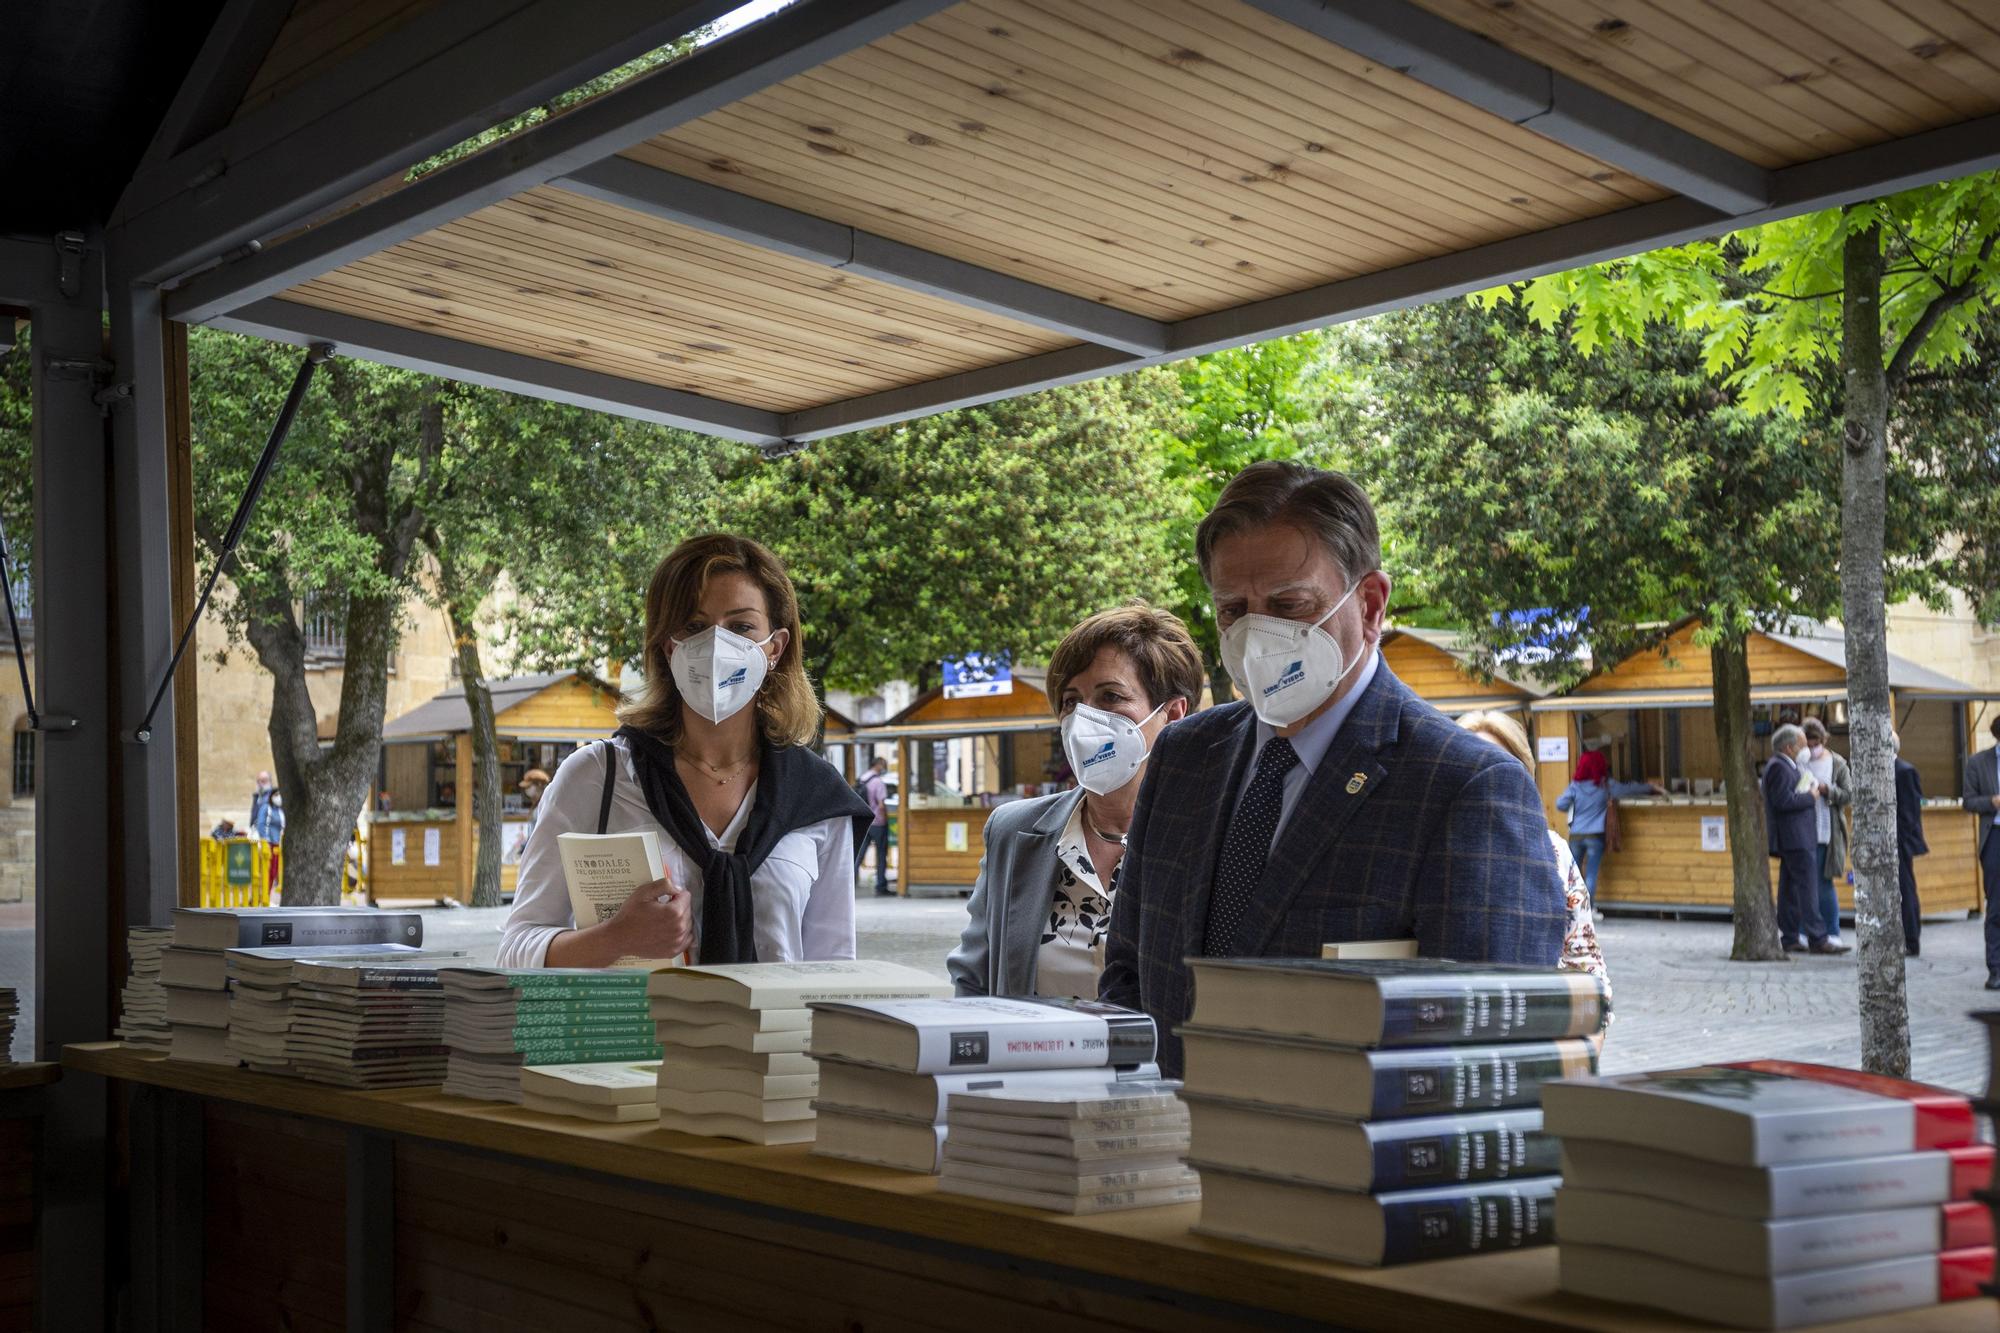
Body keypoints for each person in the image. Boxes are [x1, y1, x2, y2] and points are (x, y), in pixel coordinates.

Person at [1100, 462, 1566, 1076]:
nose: (1256, 636)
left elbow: (1485, 1058)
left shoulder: (1464, 787)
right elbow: (1130, 977)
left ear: (1370, 605)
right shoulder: (1184, 759)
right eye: (1232, 610)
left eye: (1289, 605)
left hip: (1351, 1163)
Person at [498, 534, 871, 968]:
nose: (716, 646)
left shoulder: (817, 798)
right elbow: (515, 950)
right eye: (694, 626)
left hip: (776, 1036)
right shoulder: (599, 776)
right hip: (632, 1035)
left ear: (775, 648)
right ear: (668, 645)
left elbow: (835, 971)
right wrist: (615, 938)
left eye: (741, 627)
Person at [949, 604, 1201, 999]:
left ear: (1173, 714)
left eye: (1110, 696)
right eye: (1070, 701)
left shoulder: (1210, 836)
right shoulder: (1013, 832)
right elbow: (972, 981)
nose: (1085, 718)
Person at [1458, 711, 1609, 1002]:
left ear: (1523, 776)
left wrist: (1590, 1034)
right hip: (1457, 1028)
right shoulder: (1433, 851)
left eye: (1500, 766)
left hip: (1538, 1026)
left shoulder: (1553, 851)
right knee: (1591, 875)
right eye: (1473, 766)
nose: (1486, 779)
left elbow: (1586, 962)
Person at [1766, 723, 1844, 955]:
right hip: (1796, 839)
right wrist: (1810, 796)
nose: (1806, 749)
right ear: (1789, 747)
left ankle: (1790, 936)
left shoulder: (1784, 765)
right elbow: (1784, 802)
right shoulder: (1780, 767)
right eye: (1801, 744)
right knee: (1808, 889)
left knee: (1790, 890)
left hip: (1795, 838)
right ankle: (1818, 938)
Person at [1553, 750, 1661, 902]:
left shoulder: (1575, 786)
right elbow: (1628, 789)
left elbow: (1560, 804)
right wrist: (1649, 787)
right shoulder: (1606, 785)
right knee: (1591, 874)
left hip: (1576, 835)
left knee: (1573, 875)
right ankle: (1589, 910)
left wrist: (1575, 805)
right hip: (1596, 836)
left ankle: (1571, 909)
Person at [1797, 718, 1853, 950]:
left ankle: (1832, 931)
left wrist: (1826, 789)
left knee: (1823, 883)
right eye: (1808, 744)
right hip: (1802, 830)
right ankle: (1802, 931)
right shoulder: (1800, 762)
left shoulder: (1837, 763)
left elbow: (1849, 794)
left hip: (1826, 832)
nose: (1812, 748)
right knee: (1803, 884)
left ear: (1823, 740)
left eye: (1816, 743)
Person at [1959, 716, 2000, 989]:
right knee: (1996, 907)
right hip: (1994, 837)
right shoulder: (1978, 762)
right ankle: (1995, 969)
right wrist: (1992, 802)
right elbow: (1968, 801)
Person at [1892, 731, 1927, 958]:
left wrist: (1898, 840)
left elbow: (1910, 812)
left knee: (1906, 890)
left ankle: (1911, 940)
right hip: (1889, 842)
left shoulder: (1905, 771)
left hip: (1900, 842)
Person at [859, 756, 893, 896]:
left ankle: (851, 883)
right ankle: (881, 886)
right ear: (878, 765)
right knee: (881, 854)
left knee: (859, 854)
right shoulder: (878, 782)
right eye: (883, 765)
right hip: (878, 822)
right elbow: (881, 804)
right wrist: (885, 820)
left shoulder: (862, 779)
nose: (884, 768)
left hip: (865, 821)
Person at [248, 770, 284, 843]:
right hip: (256, 832)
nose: (261, 784)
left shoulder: (273, 796)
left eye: (264, 781)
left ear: (270, 781)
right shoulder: (257, 796)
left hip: (270, 834)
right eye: (259, 781)